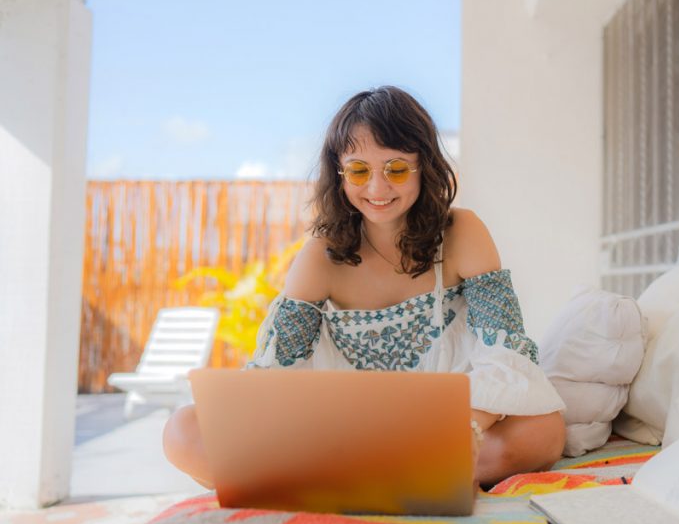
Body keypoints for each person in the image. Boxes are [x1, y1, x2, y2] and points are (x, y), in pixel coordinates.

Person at [162, 86, 567, 489]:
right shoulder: (319, 257)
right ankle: (391, 475)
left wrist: (469, 430)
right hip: (345, 435)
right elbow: (274, 374)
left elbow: (506, 352)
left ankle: (345, 477)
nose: (376, 188)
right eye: (359, 171)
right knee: (182, 429)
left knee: (543, 432)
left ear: (423, 166)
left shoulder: (463, 232)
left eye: (395, 168)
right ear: (339, 174)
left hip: (446, 427)